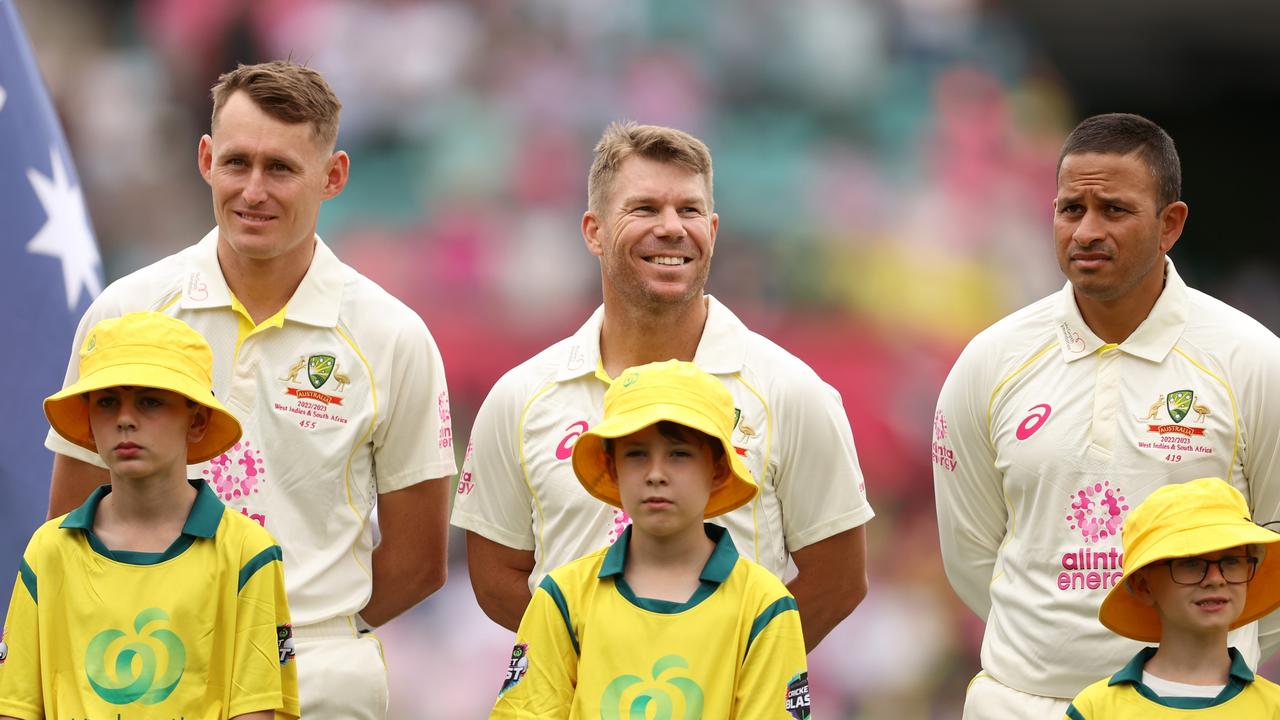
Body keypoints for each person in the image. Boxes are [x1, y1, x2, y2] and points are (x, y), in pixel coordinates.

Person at [43, 61, 456, 719]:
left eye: (282, 169)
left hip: (319, 687)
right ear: (206, 159)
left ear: (335, 176)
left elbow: (420, 561)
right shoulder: (127, 311)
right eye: (237, 163)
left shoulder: (392, 336)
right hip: (148, 674)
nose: (254, 191)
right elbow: (70, 524)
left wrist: (299, 630)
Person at [451, 121, 873, 652]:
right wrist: (593, 668)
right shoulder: (521, 397)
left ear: (713, 231)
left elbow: (837, 580)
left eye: (689, 210)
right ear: (594, 231)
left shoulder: (792, 391)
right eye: (645, 208)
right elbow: (496, 576)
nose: (672, 228)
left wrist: (729, 674)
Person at [932, 111, 1280, 717]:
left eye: (1113, 210)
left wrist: (1194, 669)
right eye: (1071, 210)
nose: (1087, 231)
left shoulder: (1252, 360)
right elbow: (971, 554)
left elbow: (1275, 554)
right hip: (1022, 702)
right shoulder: (990, 360)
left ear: (1170, 225)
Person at [0, 312, 298, 719]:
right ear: (89, 419)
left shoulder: (247, 552)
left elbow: (256, 710)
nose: (125, 418)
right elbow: (15, 707)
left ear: (196, 420)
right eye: (107, 402)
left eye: (150, 401)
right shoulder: (49, 550)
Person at [490, 360, 810, 718]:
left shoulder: (765, 606)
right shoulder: (563, 596)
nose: (656, 474)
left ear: (718, 468)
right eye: (637, 454)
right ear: (612, 467)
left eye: (679, 454)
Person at [1066, 478, 1280, 717]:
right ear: (1143, 585)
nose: (1216, 578)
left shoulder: (1273, 708)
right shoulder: (1096, 709)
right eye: (1191, 562)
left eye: (1231, 561)